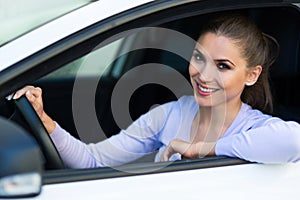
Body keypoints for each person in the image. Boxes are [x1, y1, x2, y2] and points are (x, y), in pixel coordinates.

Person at [10, 14, 300, 168]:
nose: (203, 74)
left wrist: (199, 150)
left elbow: (294, 141)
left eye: (223, 66)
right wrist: (46, 122)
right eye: (198, 57)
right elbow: (92, 161)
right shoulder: (169, 115)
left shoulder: (256, 128)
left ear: (251, 75)